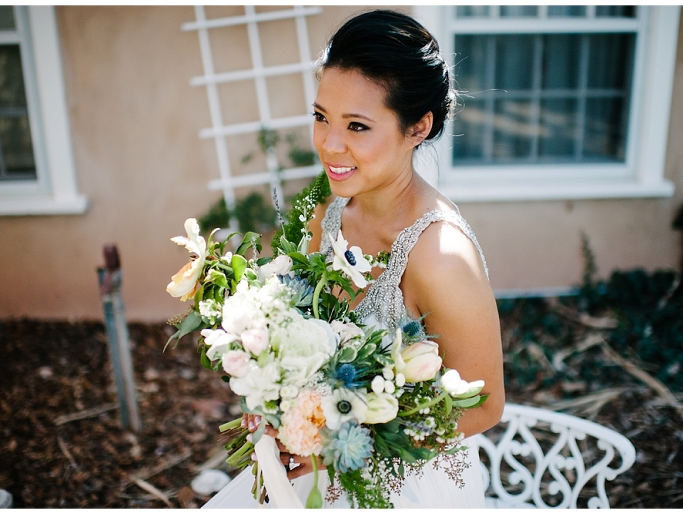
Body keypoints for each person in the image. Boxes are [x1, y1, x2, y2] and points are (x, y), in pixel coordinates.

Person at [203, 9, 504, 508]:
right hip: (307, 461)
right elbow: (294, 311)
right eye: (321, 117)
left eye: (358, 126)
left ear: (418, 127)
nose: (329, 144)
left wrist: (339, 447)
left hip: (405, 480)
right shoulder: (330, 201)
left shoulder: (442, 255)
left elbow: (485, 405)